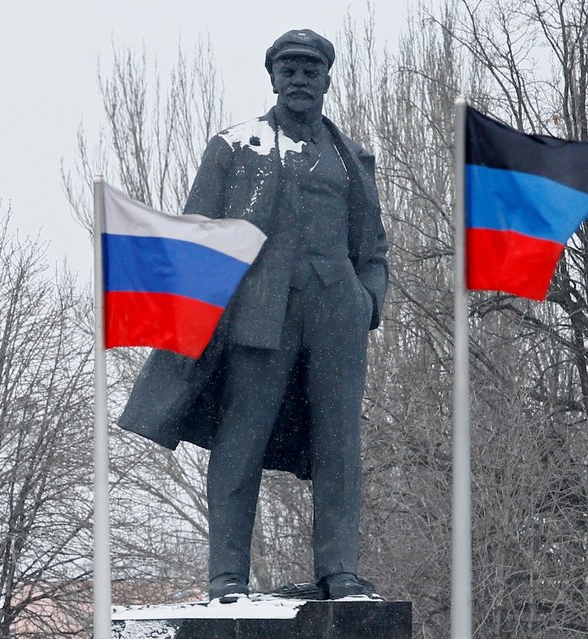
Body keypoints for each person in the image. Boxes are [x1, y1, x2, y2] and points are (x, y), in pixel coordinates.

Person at [118, 28, 388, 603]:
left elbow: (373, 247)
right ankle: (228, 578)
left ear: (326, 80)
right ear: (272, 78)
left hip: (336, 316)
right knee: (239, 442)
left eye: (310, 70)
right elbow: (197, 237)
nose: (299, 79)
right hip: (258, 318)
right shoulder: (235, 147)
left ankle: (339, 571)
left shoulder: (352, 157)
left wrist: (367, 300)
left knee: (340, 447)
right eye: (288, 69)